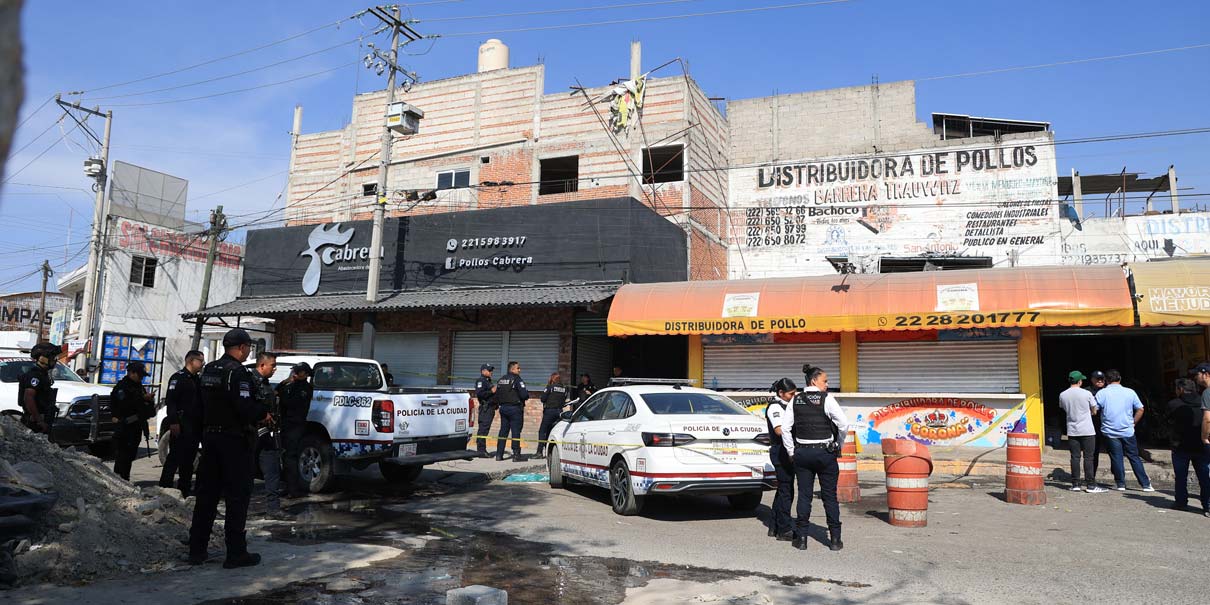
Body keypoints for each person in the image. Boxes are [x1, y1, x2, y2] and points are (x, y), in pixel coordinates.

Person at [188, 328, 269, 569]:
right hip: (233, 441)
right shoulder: (238, 373)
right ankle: (235, 553)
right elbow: (244, 408)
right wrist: (261, 413)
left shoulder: (209, 369)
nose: (248, 352)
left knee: (207, 496)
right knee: (237, 497)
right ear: (242, 347)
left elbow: (198, 406)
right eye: (248, 348)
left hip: (210, 440)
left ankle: (196, 550)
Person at [780, 364, 848, 551]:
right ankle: (835, 540)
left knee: (804, 496)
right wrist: (838, 445)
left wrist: (791, 451)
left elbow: (785, 429)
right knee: (829, 497)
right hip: (825, 453)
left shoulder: (796, 400)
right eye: (825, 381)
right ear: (814, 381)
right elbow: (843, 424)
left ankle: (801, 539)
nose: (827, 384)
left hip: (802, 453)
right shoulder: (827, 399)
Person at [1094, 369, 1154, 492]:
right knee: (1134, 457)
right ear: (1120, 379)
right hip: (1127, 430)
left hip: (1110, 431)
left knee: (1116, 457)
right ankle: (1145, 484)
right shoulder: (1130, 392)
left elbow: (1094, 410)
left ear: (1106, 380)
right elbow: (1140, 409)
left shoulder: (1102, 393)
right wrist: (1133, 422)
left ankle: (1120, 484)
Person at [159, 350, 205, 497]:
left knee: (189, 461)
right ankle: (164, 487)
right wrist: (174, 422)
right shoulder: (178, 378)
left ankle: (183, 490)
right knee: (174, 458)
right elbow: (171, 402)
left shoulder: (197, 379)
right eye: (200, 360)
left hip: (194, 426)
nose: (202, 363)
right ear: (191, 361)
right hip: (181, 424)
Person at [1058, 371, 1106, 493]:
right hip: (1088, 430)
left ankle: (1075, 484)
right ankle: (1090, 485)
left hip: (1072, 430)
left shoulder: (1063, 394)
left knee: (1075, 457)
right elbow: (1094, 410)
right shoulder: (1087, 393)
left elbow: (1063, 408)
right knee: (1089, 457)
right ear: (1080, 381)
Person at [1167, 377, 1209, 516]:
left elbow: (1167, 421)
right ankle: (1207, 505)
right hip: (1201, 445)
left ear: (1180, 389)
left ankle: (1181, 502)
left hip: (1180, 446)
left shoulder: (1173, 404)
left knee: (1181, 476)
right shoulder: (1203, 402)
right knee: (1204, 477)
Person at [111, 361, 154, 481]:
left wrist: (148, 401)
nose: (141, 378)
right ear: (131, 373)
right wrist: (142, 399)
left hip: (136, 426)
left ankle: (125, 479)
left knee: (130, 456)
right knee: (122, 457)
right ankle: (119, 480)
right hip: (124, 427)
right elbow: (125, 406)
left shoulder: (139, 387)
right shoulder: (122, 387)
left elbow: (146, 409)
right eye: (139, 375)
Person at [766, 377, 797, 541]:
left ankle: (774, 525)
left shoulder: (786, 405)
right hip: (781, 451)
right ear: (781, 393)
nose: (794, 396)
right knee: (786, 491)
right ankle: (784, 529)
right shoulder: (775, 407)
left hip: (786, 450)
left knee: (784, 489)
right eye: (791, 393)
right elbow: (779, 430)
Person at [252, 352, 282, 516]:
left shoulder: (266, 384)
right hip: (252, 433)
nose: (275, 369)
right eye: (273, 365)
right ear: (262, 365)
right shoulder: (250, 382)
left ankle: (274, 508)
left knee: (272, 471)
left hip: (268, 433)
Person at [277, 362, 313, 499]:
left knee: (291, 457)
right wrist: (285, 382)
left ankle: (293, 489)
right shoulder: (292, 385)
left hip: (295, 426)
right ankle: (288, 487)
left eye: (298, 372)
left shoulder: (305, 388)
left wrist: (287, 387)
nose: (295, 374)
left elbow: (287, 402)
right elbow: (278, 392)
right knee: (285, 457)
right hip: (287, 424)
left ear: (305, 373)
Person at [17, 342, 60, 435]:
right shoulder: (34, 376)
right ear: (42, 358)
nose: (55, 360)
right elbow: (28, 399)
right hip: (35, 423)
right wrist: (39, 421)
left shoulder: (43, 374)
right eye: (52, 357)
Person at [494, 361, 529, 462]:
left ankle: (499, 454)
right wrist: (526, 395)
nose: (519, 370)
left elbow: (496, 395)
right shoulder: (517, 379)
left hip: (503, 408)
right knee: (516, 432)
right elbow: (524, 395)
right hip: (515, 409)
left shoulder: (501, 380)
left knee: (503, 432)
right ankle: (516, 455)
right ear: (512, 369)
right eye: (518, 368)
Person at [535, 372, 570, 459]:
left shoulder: (550, 387)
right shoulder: (564, 389)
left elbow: (543, 399)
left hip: (549, 411)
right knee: (552, 432)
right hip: (559, 413)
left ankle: (539, 452)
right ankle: (550, 452)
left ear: (552, 379)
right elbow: (564, 399)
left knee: (542, 431)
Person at [473, 364, 497, 458]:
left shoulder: (487, 381)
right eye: (489, 370)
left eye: (491, 370)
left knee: (485, 429)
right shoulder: (481, 381)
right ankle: (481, 451)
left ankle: (482, 450)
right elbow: (480, 394)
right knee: (483, 429)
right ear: (483, 371)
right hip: (485, 408)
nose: (491, 372)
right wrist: (492, 391)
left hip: (490, 408)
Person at [1194, 363, 1210, 447]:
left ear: (1206, 375)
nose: (1195, 377)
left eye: (1197, 374)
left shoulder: (1207, 392)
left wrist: (1204, 438)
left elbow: (1207, 419)